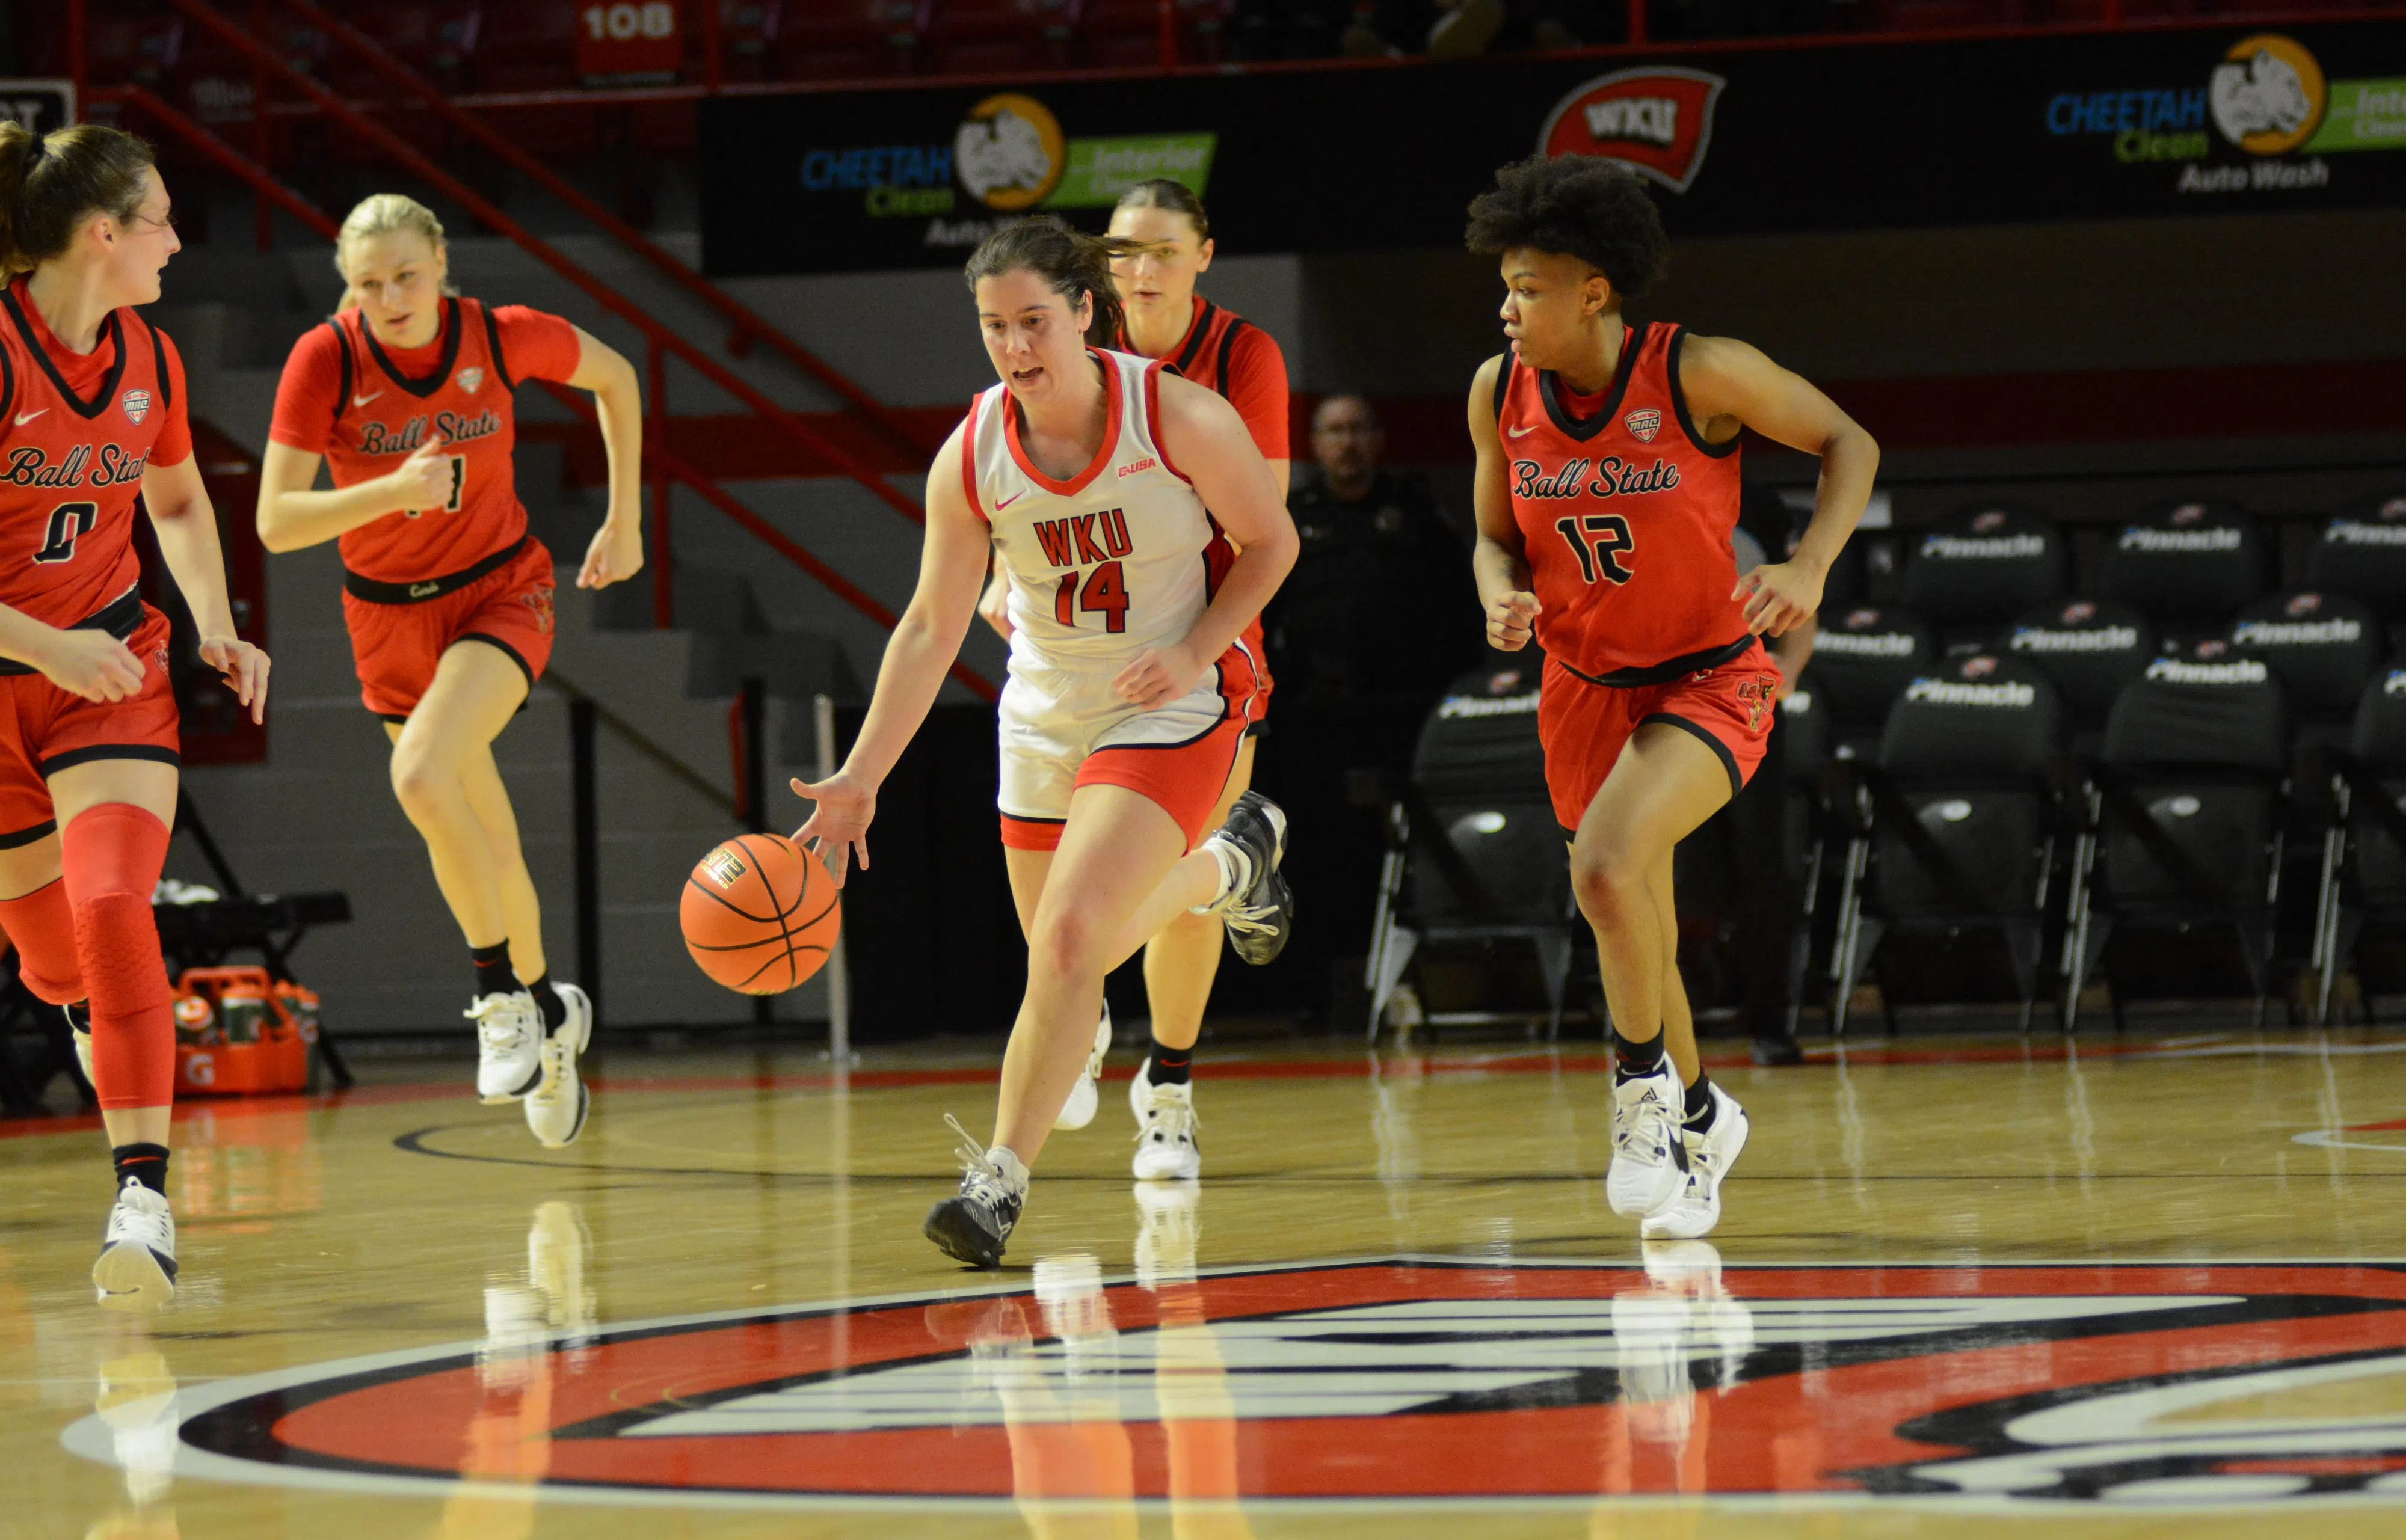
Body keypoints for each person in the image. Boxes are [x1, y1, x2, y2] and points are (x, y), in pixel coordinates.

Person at [793, 215, 1299, 1270]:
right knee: (1062, 961)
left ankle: (995, 1187)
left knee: (1073, 940)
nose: (1016, 346)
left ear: (1084, 313)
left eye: (1034, 321)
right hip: (1043, 713)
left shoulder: (1182, 417)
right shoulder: (971, 455)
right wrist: (861, 778)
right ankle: (1230, 863)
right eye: (994, 327)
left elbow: (1273, 542)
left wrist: (1199, 647)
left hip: (1168, 701)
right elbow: (933, 625)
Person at [1463, 155, 1877, 1239]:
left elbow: (1851, 440)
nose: (1508, 310)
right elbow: (1492, 538)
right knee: (1627, 905)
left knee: (1603, 868)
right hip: (1581, 684)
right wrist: (1499, 595)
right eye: (1503, 288)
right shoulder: (1496, 391)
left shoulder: (1697, 370)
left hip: (1708, 673)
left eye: (1529, 288)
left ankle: (1642, 1090)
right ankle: (1700, 1116)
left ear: (1594, 289)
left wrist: (1808, 566)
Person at [257, 195, 644, 1150]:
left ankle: (497, 995)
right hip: (385, 615)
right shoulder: (327, 359)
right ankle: (551, 1013)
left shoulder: (502, 337)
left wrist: (625, 516)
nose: (388, 298)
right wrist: (390, 490)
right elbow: (275, 520)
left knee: (421, 774)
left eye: (405, 276)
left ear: (442, 266)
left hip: (498, 591)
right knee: (482, 830)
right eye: (367, 283)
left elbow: (619, 377)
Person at [0, 123, 270, 1311]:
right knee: (53, 954)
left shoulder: (152, 354)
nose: (175, 237)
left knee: (116, 906)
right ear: (101, 234)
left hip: (114, 664)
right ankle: (85, 1015)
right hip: (21, 665)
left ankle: (143, 1192)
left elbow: (172, 491)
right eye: (159, 216)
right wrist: (44, 641)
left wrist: (210, 616)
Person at [974, 178, 1290, 1189]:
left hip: (1195, 646)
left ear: (1204, 256)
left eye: (1160, 249)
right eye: (1121, 251)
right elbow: (1018, 495)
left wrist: (1195, 646)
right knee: (1069, 927)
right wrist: (999, 575)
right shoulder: (1047, 357)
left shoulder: (1235, 363)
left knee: (1163, 889)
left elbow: (1259, 525)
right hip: (1073, 663)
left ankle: (1170, 1089)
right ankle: (1087, 1011)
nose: (1139, 268)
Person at [1261, 394, 1482, 1018]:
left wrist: (1447, 698)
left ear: (1379, 439)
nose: (1347, 441)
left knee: (1404, 853)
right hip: (1315, 722)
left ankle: (1408, 987)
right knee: (1313, 856)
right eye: (1334, 430)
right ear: (1315, 443)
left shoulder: (1413, 514)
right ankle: (1317, 995)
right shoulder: (1292, 517)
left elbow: (1463, 614)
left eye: (1359, 428)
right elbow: (1257, 617)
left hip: (1404, 719)